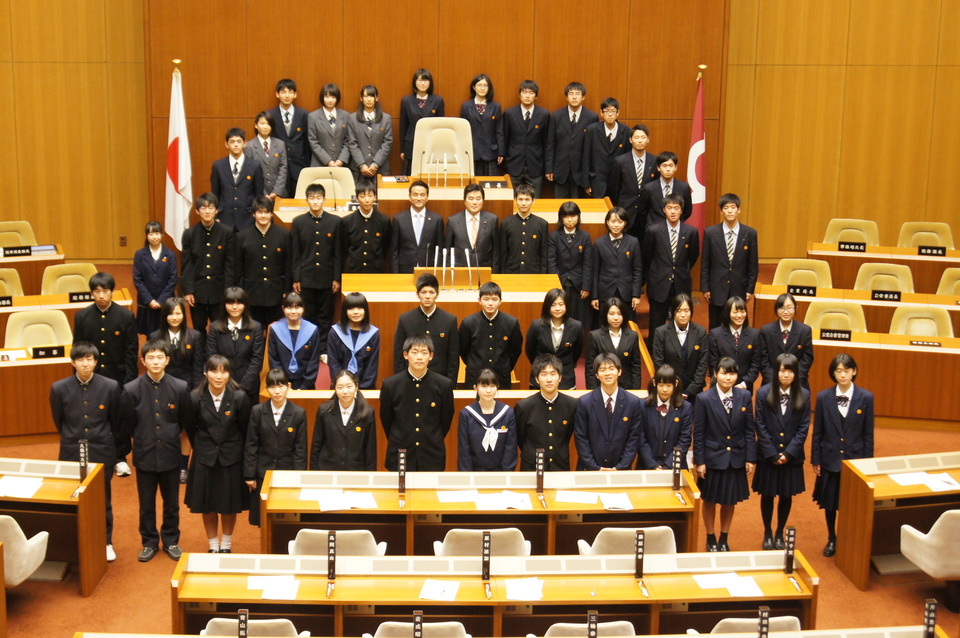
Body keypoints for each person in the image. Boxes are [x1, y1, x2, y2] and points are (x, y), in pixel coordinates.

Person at [50, 342, 123, 562]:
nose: (85, 363)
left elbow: (116, 421)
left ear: (95, 361)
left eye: (89, 359)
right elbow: (59, 421)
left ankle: (106, 541)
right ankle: (75, 541)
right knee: (73, 497)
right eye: (80, 359)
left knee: (103, 499)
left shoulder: (110, 386)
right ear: (72, 362)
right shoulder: (59, 388)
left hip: (101, 449)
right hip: (72, 451)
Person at [122, 339, 192, 562]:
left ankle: (171, 540)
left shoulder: (180, 387)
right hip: (144, 454)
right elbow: (128, 424)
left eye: (159, 357)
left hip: (171, 454)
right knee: (146, 504)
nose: (155, 361)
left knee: (172, 504)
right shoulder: (131, 389)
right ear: (143, 361)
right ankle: (149, 542)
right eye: (150, 357)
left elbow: (184, 422)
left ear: (167, 360)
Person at [73, 271, 138, 477]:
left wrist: (130, 381)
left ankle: (120, 458)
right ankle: (94, 457)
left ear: (112, 292)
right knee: (92, 416)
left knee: (118, 418)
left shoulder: (125, 316)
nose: (101, 295)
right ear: (92, 293)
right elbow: (78, 348)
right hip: (91, 376)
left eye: (105, 291)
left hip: (117, 377)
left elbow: (131, 351)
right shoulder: (82, 316)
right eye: (97, 291)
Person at [186, 355, 251, 553]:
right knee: (208, 504)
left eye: (224, 371)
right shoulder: (195, 397)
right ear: (206, 373)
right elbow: (191, 428)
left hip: (231, 458)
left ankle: (226, 545)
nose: (219, 376)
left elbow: (245, 429)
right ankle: (213, 545)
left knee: (229, 505)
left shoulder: (239, 397)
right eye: (214, 371)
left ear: (229, 374)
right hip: (204, 458)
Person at [811, 353, 874, 558]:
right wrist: (816, 459)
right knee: (830, 503)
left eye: (846, 370)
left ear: (854, 371)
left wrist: (867, 464)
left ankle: (849, 538)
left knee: (851, 504)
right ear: (833, 373)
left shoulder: (866, 397)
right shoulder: (823, 397)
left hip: (855, 460)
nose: (843, 374)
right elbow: (818, 431)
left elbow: (868, 434)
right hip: (830, 459)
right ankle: (832, 538)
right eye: (838, 371)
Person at [693, 356, 757, 552]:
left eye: (732, 373)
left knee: (730, 500)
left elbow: (749, 429)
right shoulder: (704, 398)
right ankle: (710, 536)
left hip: (736, 457)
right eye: (724, 373)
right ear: (715, 374)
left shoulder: (744, 397)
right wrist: (700, 461)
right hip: (713, 458)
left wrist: (750, 458)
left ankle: (724, 537)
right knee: (710, 500)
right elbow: (700, 432)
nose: (728, 377)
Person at [754, 353, 810, 550]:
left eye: (790, 370)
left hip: (791, 457)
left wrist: (788, 453)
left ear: (796, 373)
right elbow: (759, 424)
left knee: (786, 495)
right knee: (767, 495)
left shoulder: (804, 394)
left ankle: (780, 533)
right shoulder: (763, 393)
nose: (786, 374)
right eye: (782, 370)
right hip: (768, 455)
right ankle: (768, 532)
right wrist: (772, 453)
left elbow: (803, 428)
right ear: (776, 371)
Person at [380, 335, 456, 471]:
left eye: (424, 353)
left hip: (431, 452)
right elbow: (386, 419)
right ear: (405, 355)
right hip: (400, 451)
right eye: (414, 352)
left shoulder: (443, 385)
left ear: (431, 356)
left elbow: (446, 420)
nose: (419, 357)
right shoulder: (390, 384)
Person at [243, 368, 307, 526]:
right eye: (272, 387)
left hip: (288, 473)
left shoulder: (298, 413)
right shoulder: (257, 411)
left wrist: (298, 477)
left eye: (281, 386)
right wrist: (250, 475)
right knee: (263, 520)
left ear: (289, 386)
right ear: (267, 389)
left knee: (287, 518)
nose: (277, 391)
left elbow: (300, 449)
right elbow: (251, 444)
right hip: (262, 473)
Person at [573, 352, 652, 471]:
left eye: (611, 369)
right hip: (589, 469)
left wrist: (621, 466)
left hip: (621, 469)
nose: (607, 373)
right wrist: (595, 467)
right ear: (597, 375)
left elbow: (633, 438)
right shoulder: (585, 402)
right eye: (603, 370)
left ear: (619, 372)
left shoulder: (633, 402)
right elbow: (580, 438)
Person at [291, 182, 341, 356]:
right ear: (306, 200)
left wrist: (336, 278)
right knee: (308, 316)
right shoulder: (298, 222)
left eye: (318, 198)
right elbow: (296, 254)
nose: (315, 202)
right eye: (311, 198)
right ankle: (308, 347)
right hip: (306, 278)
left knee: (325, 316)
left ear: (324, 200)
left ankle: (323, 349)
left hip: (327, 278)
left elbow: (337, 254)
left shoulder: (335, 222)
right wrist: (296, 278)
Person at [642, 193, 700, 339]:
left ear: (682, 210)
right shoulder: (653, 231)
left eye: (676, 208)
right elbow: (647, 256)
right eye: (669, 208)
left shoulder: (691, 232)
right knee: (656, 322)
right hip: (659, 282)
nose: (673, 211)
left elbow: (692, 256)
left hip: (681, 281)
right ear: (664, 210)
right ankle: (655, 357)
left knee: (681, 320)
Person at [700, 193, 758, 329]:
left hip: (739, 287)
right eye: (726, 208)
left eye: (733, 207)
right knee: (715, 326)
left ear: (739, 210)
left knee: (738, 325)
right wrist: (705, 288)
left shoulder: (750, 233)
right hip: (716, 288)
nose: (730, 211)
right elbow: (705, 263)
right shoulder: (710, 232)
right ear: (721, 211)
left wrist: (749, 290)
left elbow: (753, 265)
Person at [181, 192, 235, 332]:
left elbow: (230, 265)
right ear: (197, 211)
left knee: (220, 327)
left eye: (210, 207)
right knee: (198, 327)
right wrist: (188, 291)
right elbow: (187, 265)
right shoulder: (189, 234)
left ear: (216, 210)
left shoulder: (226, 232)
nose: (207, 211)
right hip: (197, 290)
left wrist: (228, 290)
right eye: (203, 208)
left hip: (219, 289)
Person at [235, 196, 292, 328]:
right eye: (260, 212)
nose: (263, 216)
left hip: (276, 294)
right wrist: (242, 291)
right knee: (254, 332)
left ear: (271, 214)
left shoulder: (283, 235)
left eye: (266, 212)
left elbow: (288, 265)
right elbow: (238, 268)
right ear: (254, 214)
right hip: (251, 294)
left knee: (275, 331)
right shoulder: (242, 236)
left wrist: (286, 290)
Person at [393, 273, 459, 385]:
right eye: (423, 292)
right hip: (410, 380)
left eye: (431, 292)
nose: (427, 296)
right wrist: (401, 382)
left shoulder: (449, 320)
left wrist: (450, 384)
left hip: (440, 381)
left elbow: (453, 357)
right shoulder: (405, 319)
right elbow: (399, 355)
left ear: (437, 294)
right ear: (417, 294)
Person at [514, 354, 578, 471]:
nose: (549, 379)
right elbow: (520, 438)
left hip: (560, 466)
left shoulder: (571, 405)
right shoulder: (524, 406)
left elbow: (567, 435)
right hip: (531, 466)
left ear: (560, 378)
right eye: (544, 374)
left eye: (553, 374)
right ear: (537, 379)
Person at [459, 281, 523, 388]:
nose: (490, 303)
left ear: (500, 301)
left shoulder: (511, 322)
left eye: (494, 299)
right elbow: (463, 350)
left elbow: (515, 350)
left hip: (501, 376)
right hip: (474, 375)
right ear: (479, 301)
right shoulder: (468, 322)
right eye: (486, 299)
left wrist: (505, 366)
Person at [205, 287, 265, 402]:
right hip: (221, 385)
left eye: (239, 303)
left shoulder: (255, 327)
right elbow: (211, 356)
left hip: (249, 387)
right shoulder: (214, 327)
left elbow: (257, 359)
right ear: (224, 305)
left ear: (245, 305)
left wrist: (243, 386)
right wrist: (224, 382)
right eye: (230, 303)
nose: (234, 307)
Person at [311, 369, 377, 470]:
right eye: (340, 387)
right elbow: (316, 444)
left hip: (356, 470)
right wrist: (314, 472)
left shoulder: (367, 412)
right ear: (335, 389)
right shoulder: (324, 411)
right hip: (327, 468)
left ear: (356, 387)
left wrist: (370, 475)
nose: (345, 391)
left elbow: (370, 449)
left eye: (349, 386)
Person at [651, 293, 708, 403]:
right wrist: (674, 386)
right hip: (669, 389)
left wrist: (691, 389)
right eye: (679, 310)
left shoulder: (700, 332)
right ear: (673, 312)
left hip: (695, 390)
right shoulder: (661, 332)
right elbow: (659, 362)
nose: (683, 315)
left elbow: (703, 363)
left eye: (686, 311)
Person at [457, 369, 518, 471]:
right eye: (484, 386)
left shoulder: (507, 413)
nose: (488, 391)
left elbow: (510, 449)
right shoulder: (466, 414)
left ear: (497, 387)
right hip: (475, 474)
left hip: (501, 474)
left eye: (492, 386)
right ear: (475, 388)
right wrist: (467, 478)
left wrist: (505, 475)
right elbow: (464, 451)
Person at [545, 82, 597, 198]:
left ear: (583, 97)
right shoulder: (556, 116)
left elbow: (593, 148)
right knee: (559, 206)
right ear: (566, 97)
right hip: (560, 169)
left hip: (581, 170)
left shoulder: (591, 117)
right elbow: (550, 144)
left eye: (577, 94)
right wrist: (549, 168)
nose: (574, 97)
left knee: (578, 208)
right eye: (571, 94)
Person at [607, 124, 659, 239]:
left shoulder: (655, 161)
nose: (640, 140)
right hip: (625, 213)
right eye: (636, 137)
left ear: (648, 140)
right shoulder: (620, 161)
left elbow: (656, 188)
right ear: (630, 140)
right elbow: (614, 189)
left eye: (643, 137)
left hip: (646, 216)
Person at [591, 207, 643, 323]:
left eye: (620, 222)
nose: (616, 225)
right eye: (613, 221)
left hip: (626, 292)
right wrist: (594, 296)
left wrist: (636, 295)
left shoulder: (633, 242)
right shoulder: (599, 243)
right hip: (605, 291)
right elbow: (595, 271)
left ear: (625, 223)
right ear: (607, 222)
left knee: (626, 324)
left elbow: (637, 270)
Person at [524, 288, 583, 389]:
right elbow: (530, 351)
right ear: (547, 306)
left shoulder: (576, 326)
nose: (557, 308)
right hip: (540, 377)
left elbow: (577, 352)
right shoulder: (536, 325)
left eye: (561, 304)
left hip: (566, 378)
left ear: (567, 306)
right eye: (553, 305)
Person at [547, 201, 594, 326]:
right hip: (560, 282)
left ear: (578, 216)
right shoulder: (554, 236)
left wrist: (586, 286)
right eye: (566, 216)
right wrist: (555, 284)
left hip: (578, 285)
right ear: (561, 218)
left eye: (573, 216)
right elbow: (551, 261)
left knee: (578, 320)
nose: (569, 220)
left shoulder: (585, 236)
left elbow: (588, 263)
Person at [210, 127, 264, 231]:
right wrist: (215, 216)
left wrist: (256, 216)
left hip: (248, 219)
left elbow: (258, 195)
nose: (235, 145)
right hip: (224, 218)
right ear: (226, 144)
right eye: (232, 142)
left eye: (239, 141)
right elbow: (215, 194)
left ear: (244, 143)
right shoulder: (218, 166)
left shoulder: (254, 166)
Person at [502, 79, 549, 197]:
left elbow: (546, 142)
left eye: (531, 92)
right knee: (512, 202)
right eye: (524, 92)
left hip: (535, 165)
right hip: (514, 164)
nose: (527, 95)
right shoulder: (509, 113)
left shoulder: (544, 114)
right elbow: (505, 138)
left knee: (535, 202)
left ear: (536, 96)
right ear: (519, 94)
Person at [640, 365, 692, 470]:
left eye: (669, 385)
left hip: (675, 466)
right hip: (647, 466)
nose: (665, 389)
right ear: (654, 383)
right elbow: (640, 438)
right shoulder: (642, 406)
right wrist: (652, 464)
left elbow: (685, 439)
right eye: (661, 385)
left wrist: (668, 465)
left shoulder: (685, 407)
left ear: (675, 384)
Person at [707, 296, 763, 392]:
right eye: (735, 312)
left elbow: (756, 364)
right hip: (720, 387)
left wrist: (744, 383)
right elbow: (713, 363)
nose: (740, 315)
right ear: (727, 313)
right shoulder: (715, 334)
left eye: (742, 311)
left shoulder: (754, 334)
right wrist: (724, 382)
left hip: (744, 387)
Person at [133, 221, 178, 336]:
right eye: (151, 234)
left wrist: (161, 300)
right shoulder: (139, 254)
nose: (154, 237)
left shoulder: (170, 255)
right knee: (149, 333)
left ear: (162, 235)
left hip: (166, 301)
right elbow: (137, 279)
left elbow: (173, 279)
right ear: (146, 235)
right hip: (147, 301)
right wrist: (150, 300)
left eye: (157, 233)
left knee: (167, 332)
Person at [760, 293, 814, 389]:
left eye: (789, 307)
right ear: (776, 310)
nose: (786, 311)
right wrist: (774, 380)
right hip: (771, 383)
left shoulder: (804, 330)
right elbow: (763, 359)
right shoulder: (766, 331)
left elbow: (807, 359)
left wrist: (794, 379)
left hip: (798, 383)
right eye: (782, 308)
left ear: (795, 308)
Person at [268, 292, 321, 391]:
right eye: (289, 308)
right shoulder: (275, 329)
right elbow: (274, 359)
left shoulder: (312, 330)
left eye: (297, 307)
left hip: (305, 384)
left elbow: (313, 361)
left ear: (303, 309)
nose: (293, 311)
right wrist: (282, 384)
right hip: (281, 385)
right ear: (283, 309)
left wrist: (304, 387)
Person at [585, 297, 641, 390]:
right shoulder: (595, 336)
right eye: (611, 314)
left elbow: (635, 367)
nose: (616, 318)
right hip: (602, 386)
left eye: (619, 314)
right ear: (605, 315)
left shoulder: (632, 336)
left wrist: (636, 391)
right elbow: (590, 368)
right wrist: (592, 391)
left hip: (626, 387)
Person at [327, 292, 380, 390]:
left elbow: (372, 366)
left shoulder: (373, 333)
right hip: (341, 389)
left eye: (360, 308)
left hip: (365, 389)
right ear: (344, 311)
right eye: (351, 308)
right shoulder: (335, 332)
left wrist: (362, 389)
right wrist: (344, 387)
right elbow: (333, 362)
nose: (356, 312)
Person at [390, 180, 444, 273]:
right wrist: (396, 274)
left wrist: (437, 272)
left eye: (422, 195)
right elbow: (394, 251)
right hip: (405, 270)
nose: (419, 198)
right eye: (415, 194)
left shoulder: (437, 220)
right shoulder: (398, 219)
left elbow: (440, 251)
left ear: (427, 197)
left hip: (428, 270)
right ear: (409, 197)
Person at [399, 68, 445, 175]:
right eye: (419, 80)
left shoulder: (438, 101)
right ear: (415, 82)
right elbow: (403, 126)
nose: (422, 83)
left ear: (430, 82)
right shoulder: (406, 101)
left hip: (431, 144)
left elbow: (441, 126)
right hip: (411, 144)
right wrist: (402, 149)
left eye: (425, 80)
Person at [268, 79, 310, 197]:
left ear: (295, 94)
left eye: (290, 92)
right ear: (277, 94)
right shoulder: (270, 115)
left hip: (300, 167)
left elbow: (307, 142)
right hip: (278, 168)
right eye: (283, 92)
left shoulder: (304, 115)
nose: (287, 95)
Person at [582, 97, 631, 198]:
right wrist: (586, 183)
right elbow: (586, 156)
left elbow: (628, 158)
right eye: (606, 111)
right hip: (597, 181)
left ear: (618, 113)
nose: (610, 114)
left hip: (618, 182)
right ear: (601, 113)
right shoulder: (592, 130)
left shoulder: (626, 131)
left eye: (613, 111)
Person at [340, 178, 391, 274]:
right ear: (357, 198)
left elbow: (384, 246)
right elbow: (345, 248)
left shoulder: (384, 220)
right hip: (354, 269)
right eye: (362, 196)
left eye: (370, 195)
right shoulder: (347, 221)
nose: (367, 200)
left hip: (376, 269)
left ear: (375, 197)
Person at [445, 183, 500, 269]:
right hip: (460, 270)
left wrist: (495, 273)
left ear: (483, 201)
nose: (474, 202)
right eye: (471, 199)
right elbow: (447, 250)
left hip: (484, 269)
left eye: (478, 199)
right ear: (464, 201)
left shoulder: (492, 220)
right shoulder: (453, 221)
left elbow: (496, 251)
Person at [459, 73, 503, 176]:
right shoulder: (466, 106)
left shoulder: (495, 106)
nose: (482, 88)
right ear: (474, 87)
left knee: (491, 186)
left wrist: (501, 152)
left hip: (491, 153)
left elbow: (499, 131)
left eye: (485, 85)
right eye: (479, 85)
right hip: (472, 152)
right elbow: (462, 131)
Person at [346, 85, 393, 179]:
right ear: (361, 98)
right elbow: (352, 143)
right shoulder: (352, 118)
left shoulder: (386, 118)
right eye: (366, 96)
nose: (369, 99)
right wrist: (361, 164)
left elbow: (387, 143)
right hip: (358, 170)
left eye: (371, 96)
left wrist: (375, 164)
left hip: (380, 169)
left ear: (376, 98)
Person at [501, 183, 548, 273]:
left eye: (527, 199)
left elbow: (543, 255)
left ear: (533, 201)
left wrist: (543, 275)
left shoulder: (542, 224)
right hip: (511, 272)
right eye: (520, 199)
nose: (523, 203)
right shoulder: (506, 223)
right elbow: (503, 253)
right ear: (515, 200)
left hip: (533, 272)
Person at [640, 151, 693, 229]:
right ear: (658, 168)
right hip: (654, 230)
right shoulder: (648, 188)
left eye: (671, 166)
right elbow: (642, 212)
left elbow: (687, 211)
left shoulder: (684, 187)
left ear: (676, 167)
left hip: (675, 229)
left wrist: (674, 221)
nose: (668, 169)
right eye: (664, 166)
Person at [244, 111, 287, 200]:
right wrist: (262, 194)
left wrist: (276, 191)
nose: (265, 127)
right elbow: (250, 171)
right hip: (258, 195)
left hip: (279, 194)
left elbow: (283, 168)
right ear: (256, 125)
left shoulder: (280, 144)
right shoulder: (249, 146)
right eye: (262, 123)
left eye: (268, 124)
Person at [307, 83, 350, 168]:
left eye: (333, 97)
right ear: (322, 98)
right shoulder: (313, 117)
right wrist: (328, 161)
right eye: (327, 97)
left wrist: (341, 160)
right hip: (319, 164)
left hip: (341, 165)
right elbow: (313, 142)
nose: (330, 100)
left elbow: (348, 140)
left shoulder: (345, 115)